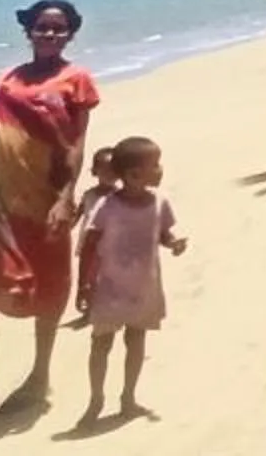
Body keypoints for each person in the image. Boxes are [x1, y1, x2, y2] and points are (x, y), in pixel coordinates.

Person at [0, 0, 99, 420]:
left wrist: (65, 197)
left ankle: (39, 377)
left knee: (49, 286)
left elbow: (75, 144)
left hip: (44, 201)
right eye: (42, 27)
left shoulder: (77, 79)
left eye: (58, 28)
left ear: (70, 33)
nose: (49, 34)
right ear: (29, 31)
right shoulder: (6, 78)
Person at [75, 136, 187, 430]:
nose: (160, 169)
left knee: (136, 340)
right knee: (101, 344)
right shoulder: (106, 206)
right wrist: (84, 285)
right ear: (134, 174)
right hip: (109, 289)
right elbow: (90, 245)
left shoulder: (160, 202)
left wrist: (173, 242)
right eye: (155, 165)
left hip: (143, 287)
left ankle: (128, 397)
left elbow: (162, 233)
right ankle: (96, 399)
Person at [64, 146, 118, 331]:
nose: (109, 175)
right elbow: (76, 218)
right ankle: (88, 311)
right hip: (89, 245)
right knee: (86, 279)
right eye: (105, 171)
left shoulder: (121, 196)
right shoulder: (89, 195)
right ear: (95, 172)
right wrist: (66, 222)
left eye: (114, 171)